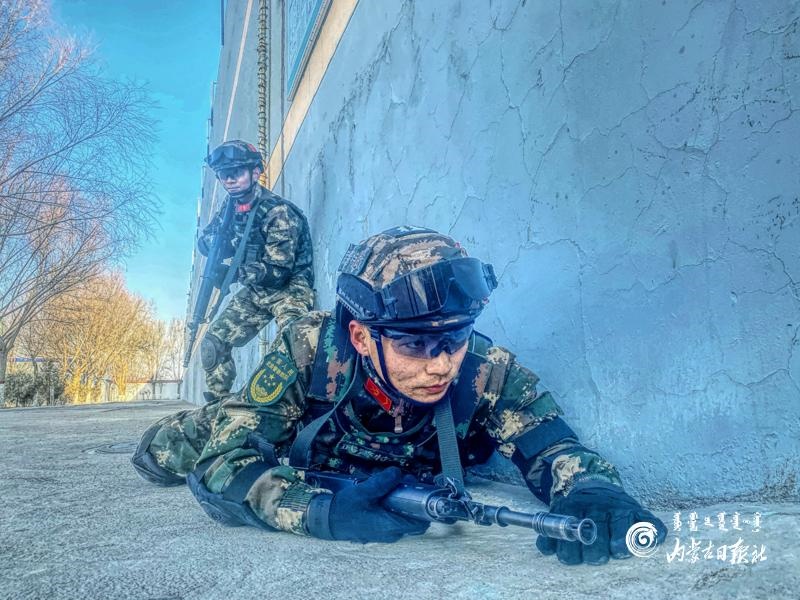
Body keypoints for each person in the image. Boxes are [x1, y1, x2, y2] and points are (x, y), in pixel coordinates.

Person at [132, 226, 666, 565]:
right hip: (287, 435)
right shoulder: (309, 348)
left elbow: (551, 445)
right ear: (362, 336)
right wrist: (318, 511)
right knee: (167, 453)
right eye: (414, 344)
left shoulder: (483, 368)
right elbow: (223, 465)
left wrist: (593, 491)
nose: (441, 364)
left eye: (455, 338)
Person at [197, 140, 314, 403]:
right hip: (257, 290)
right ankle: (219, 404)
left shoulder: (278, 212)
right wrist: (216, 248)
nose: (229, 180)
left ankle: (293, 407)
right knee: (213, 344)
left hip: (290, 289)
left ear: (256, 172)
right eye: (223, 175)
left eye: (236, 173)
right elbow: (207, 240)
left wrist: (233, 273)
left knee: (294, 346)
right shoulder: (230, 208)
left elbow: (278, 272)